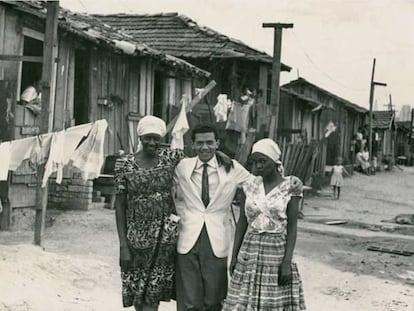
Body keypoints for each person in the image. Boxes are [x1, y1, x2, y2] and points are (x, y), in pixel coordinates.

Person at [173, 125, 302, 311]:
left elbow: (261, 182)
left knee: (214, 299)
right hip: (187, 237)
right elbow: (162, 181)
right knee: (189, 301)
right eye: (200, 143)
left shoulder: (232, 167)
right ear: (192, 144)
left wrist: (292, 181)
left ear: (217, 143)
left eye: (210, 142)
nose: (205, 147)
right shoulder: (182, 167)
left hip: (217, 238)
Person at [114, 116, 233, 311]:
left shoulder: (172, 158)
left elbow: (202, 154)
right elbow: (119, 207)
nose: (152, 143)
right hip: (136, 238)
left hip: (165, 238)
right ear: (140, 137)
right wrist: (123, 246)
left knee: (154, 293)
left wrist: (220, 155)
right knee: (138, 293)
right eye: (147, 138)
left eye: (156, 138)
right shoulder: (124, 164)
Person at [223, 138, 306, 311]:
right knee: (244, 299)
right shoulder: (249, 186)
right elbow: (242, 222)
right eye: (255, 162)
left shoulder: (290, 187)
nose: (258, 166)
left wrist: (286, 262)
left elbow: (292, 228)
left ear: (275, 162)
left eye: (263, 161)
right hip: (250, 249)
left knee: (271, 300)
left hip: (276, 250)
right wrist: (235, 255)